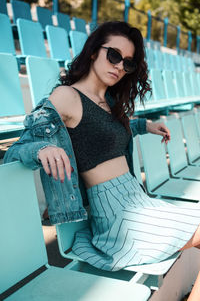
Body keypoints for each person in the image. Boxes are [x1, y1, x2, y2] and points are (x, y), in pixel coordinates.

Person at [4, 21, 200, 272]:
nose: (119, 66)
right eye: (114, 55)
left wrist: (143, 126)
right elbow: (17, 149)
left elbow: (103, 130)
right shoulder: (67, 96)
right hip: (118, 217)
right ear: (95, 51)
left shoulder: (107, 100)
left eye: (127, 63)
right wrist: (41, 150)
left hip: (139, 200)